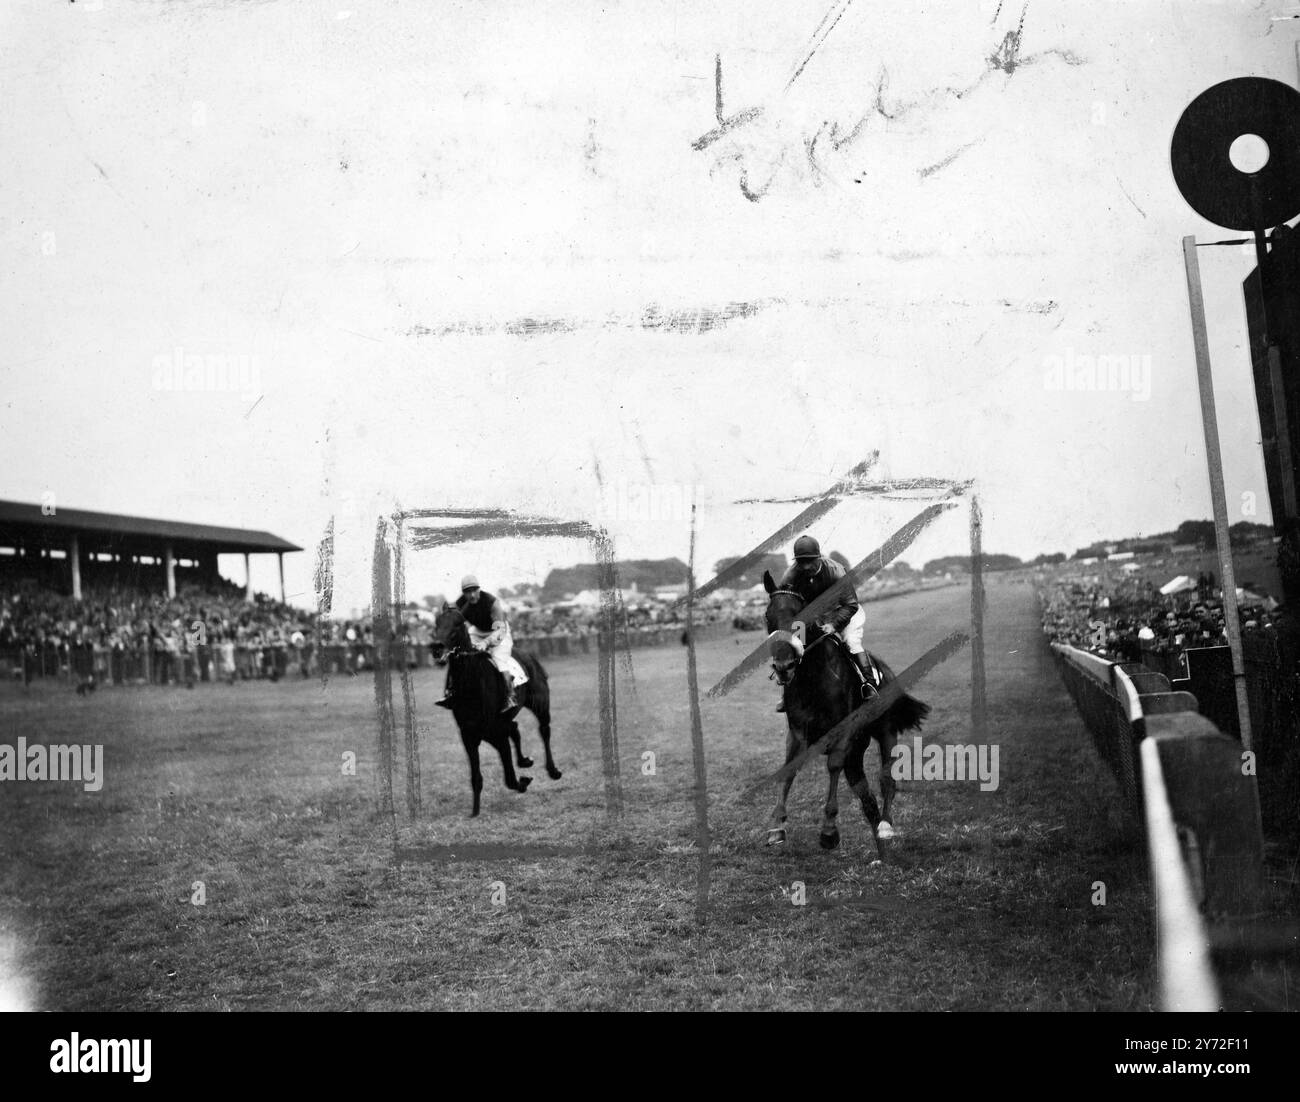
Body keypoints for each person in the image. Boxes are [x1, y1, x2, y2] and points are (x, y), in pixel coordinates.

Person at [773, 535, 877, 712]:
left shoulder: (836, 571)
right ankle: (787, 695)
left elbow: (850, 604)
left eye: (809, 561)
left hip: (845, 614)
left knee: (851, 642)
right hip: (815, 618)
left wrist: (834, 625)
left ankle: (869, 684)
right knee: (795, 649)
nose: (805, 566)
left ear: (818, 557)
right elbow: (786, 603)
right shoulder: (790, 576)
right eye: (801, 561)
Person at [438, 575, 528, 713]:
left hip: (499, 633)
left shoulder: (492, 602)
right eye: (468, 591)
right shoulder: (459, 604)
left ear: (479, 589)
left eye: (474, 590)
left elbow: (500, 631)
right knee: (458, 657)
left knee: (499, 661)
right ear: (463, 593)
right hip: (478, 632)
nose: (472, 595)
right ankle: (449, 693)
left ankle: (510, 697)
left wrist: (485, 643)